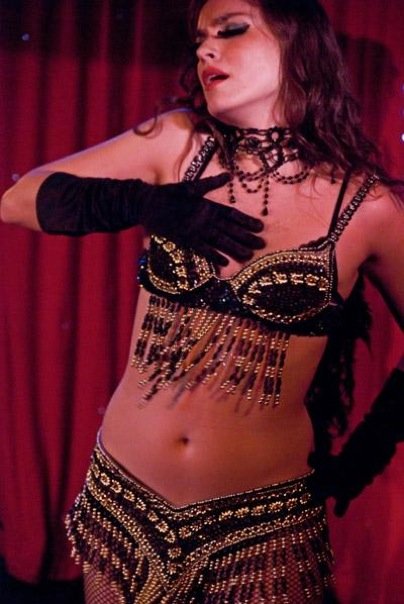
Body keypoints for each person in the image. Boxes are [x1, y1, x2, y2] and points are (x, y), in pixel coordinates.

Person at [1, 0, 403, 601]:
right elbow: (17, 201)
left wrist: (366, 452)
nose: (205, 48)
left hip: (264, 528)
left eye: (231, 29)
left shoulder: (369, 209)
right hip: (124, 502)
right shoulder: (179, 143)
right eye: (199, 39)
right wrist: (142, 202)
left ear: (297, 44)